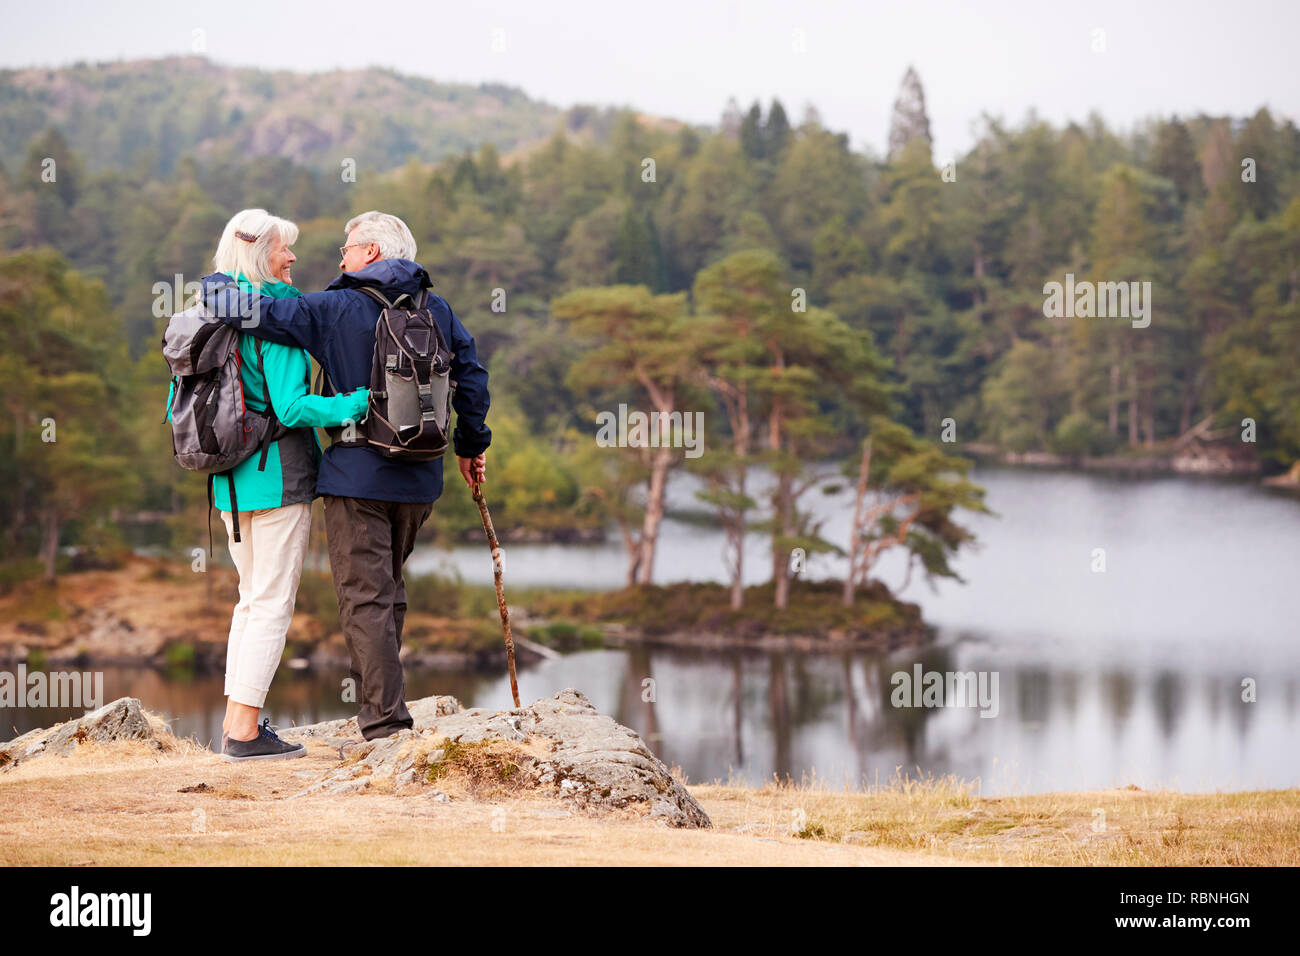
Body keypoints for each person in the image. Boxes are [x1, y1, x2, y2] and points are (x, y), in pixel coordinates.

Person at [200, 211, 491, 741]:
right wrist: (473, 448)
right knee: (390, 592)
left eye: (348, 247)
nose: (341, 257)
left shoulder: (333, 308)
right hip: (422, 479)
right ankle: (386, 709)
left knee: (366, 599)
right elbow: (472, 379)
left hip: (356, 479)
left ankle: (383, 724)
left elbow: (246, 312)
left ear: (373, 253)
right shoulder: (439, 309)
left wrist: (219, 277)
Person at [168, 209, 371, 761]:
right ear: (263, 255)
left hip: (229, 483)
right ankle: (246, 732)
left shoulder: (210, 310)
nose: (294, 258)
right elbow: (293, 406)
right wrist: (357, 403)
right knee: (272, 604)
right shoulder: (274, 318)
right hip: (278, 477)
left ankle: (239, 722)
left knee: (249, 601)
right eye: (286, 248)